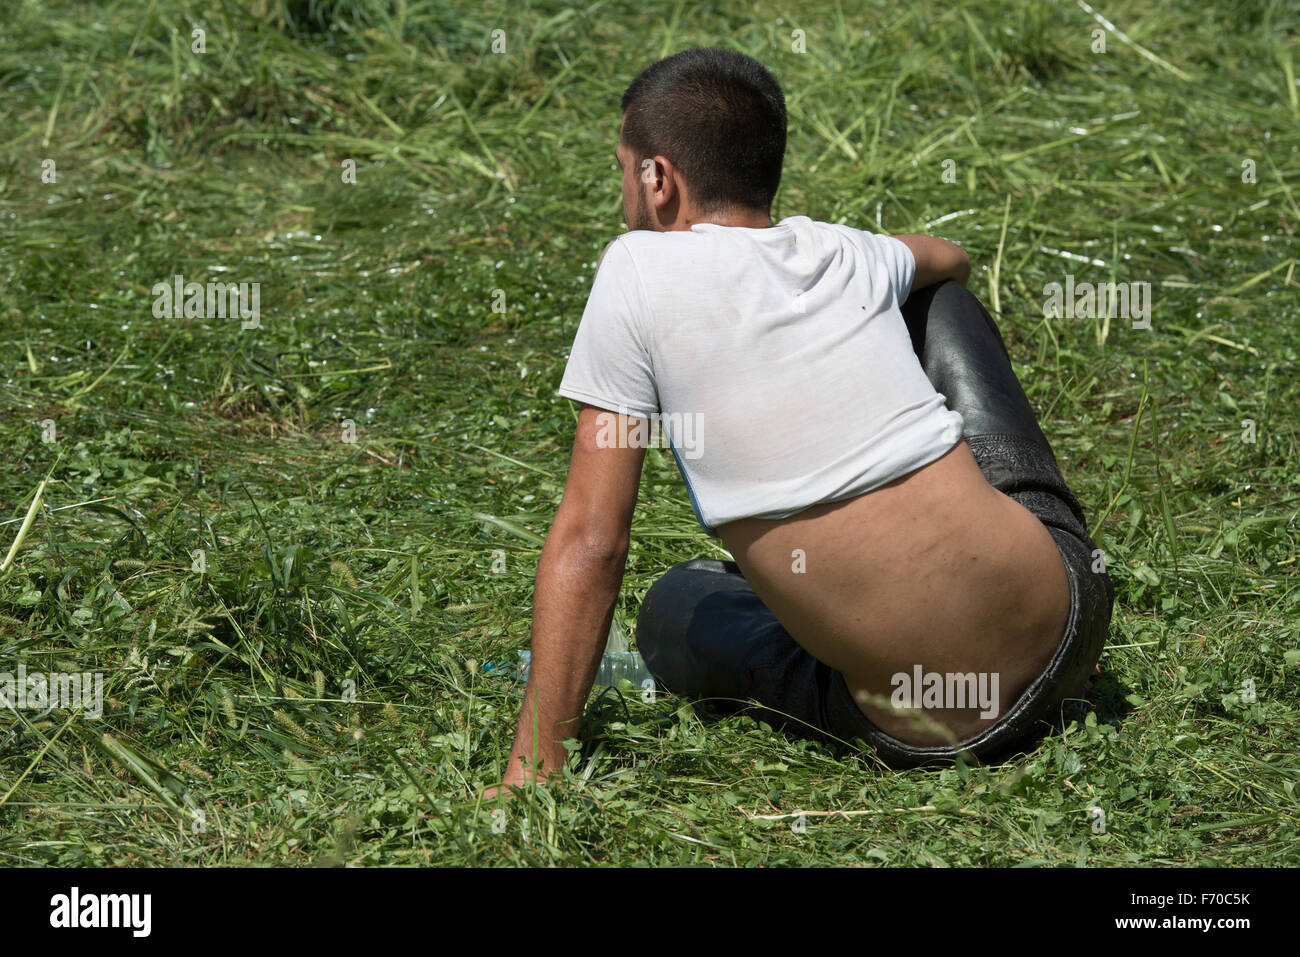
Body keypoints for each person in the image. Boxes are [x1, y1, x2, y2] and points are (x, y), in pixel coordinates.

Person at [487, 47, 1113, 794]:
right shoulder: (841, 250)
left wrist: (535, 764)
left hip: (928, 728)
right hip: (1070, 626)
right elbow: (953, 256)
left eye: (623, 169)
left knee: (672, 608)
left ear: (659, 179)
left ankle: (828, 606)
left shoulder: (635, 270)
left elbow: (595, 539)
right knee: (939, 298)